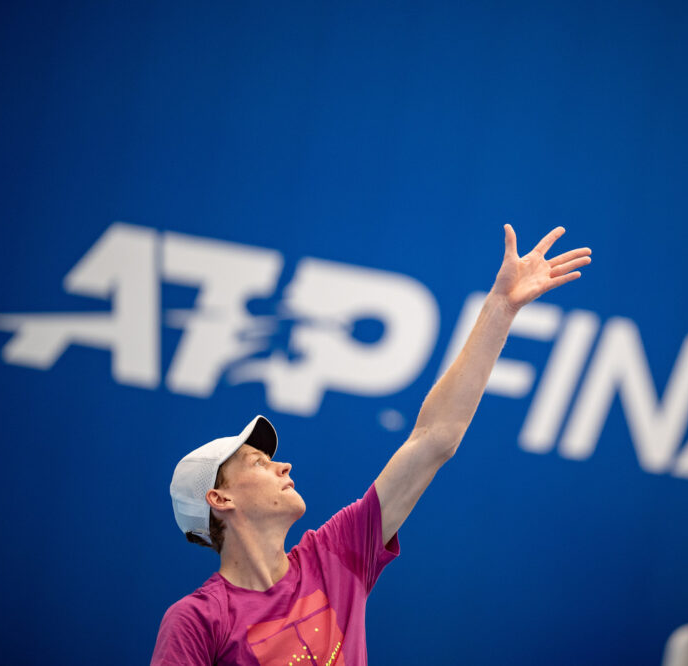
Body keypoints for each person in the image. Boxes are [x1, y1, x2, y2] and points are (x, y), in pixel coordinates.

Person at [151, 225, 592, 665]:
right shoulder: (196, 621)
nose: (283, 466)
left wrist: (500, 308)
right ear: (219, 497)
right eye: (258, 462)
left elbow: (434, 439)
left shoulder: (336, 552)